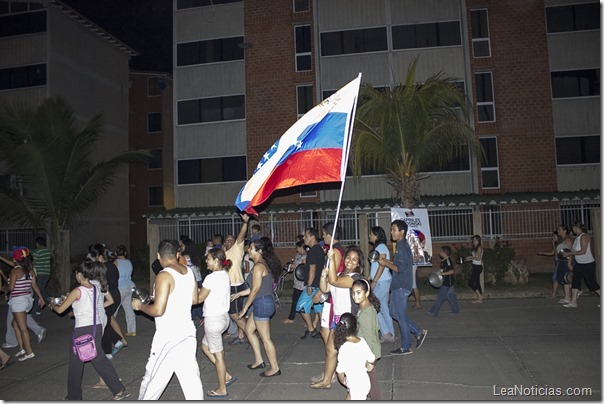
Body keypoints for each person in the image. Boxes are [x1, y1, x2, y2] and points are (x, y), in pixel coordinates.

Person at [49, 260, 129, 401]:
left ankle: (74, 396)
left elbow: (61, 310)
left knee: (76, 364)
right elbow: (101, 302)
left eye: (76, 274)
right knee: (99, 359)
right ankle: (117, 388)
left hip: (82, 329)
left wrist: (52, 305)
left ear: (80, 275)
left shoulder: (77, 291)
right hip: (95, 327)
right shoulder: (96, 287)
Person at [133, 240, 203, 400]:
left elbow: (158, 310)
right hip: (187, 332)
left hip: (169, 336)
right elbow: (194, 299)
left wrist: (140, 306)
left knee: (153, 380)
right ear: (177, 254)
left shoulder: (163, 275)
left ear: (158, 256)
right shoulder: (187, 271)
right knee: (191, 381)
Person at [310, 245, 363, 390]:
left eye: (354, 260)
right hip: (337, 319)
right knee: (331, 350)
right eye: (348, 258)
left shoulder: (354, 278)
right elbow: (325, 288)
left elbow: (333, 282)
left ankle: (357, 384)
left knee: (348, 354)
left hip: (348, 321)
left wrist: (332, 258)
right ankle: (327, 380)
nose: (350, 261)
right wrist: (323, 275)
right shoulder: (339, 275)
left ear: (358, 264)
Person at [232, 237, 281, 377]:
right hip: (264, 301)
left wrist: (245, 308)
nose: (248, 250)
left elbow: (255, 290)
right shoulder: (261, 264)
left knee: (265, 338)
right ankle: (259, 361)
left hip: (262, 303)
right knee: (248, 329)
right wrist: (239, 294)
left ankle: (275, 368)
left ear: (259, 251)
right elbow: (255, 287)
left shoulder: (259, 266)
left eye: (251, 248)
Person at [378, 220, 428, 355]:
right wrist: (386, 261)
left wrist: (385, 263)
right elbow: (396, 263)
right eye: (391, 230)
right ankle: (418, 332)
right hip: (397, 285)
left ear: (402, 232)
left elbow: (399, 268)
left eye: (394, 230)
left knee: (399, 315)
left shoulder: (404, 247)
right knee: (394, 313)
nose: (391, 232)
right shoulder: (399, 246)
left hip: (401, 286)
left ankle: (406, 346)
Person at [198, 248, 236, 398]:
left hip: (213, 320)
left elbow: (199, 299)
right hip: (224, 318)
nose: (206, 261)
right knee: (205, 347)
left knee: (219, 355)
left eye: (208, 259)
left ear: (216, 260)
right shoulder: (224, 275)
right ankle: (226, 375)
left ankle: (222, 389)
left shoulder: (210, 278)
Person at [3, 248, 45, 361]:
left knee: (23, 328)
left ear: (15, 259)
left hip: (18, 301)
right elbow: (35, 286)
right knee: (14, 324)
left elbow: (10, 288)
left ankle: (29, 352)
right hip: (27, 300)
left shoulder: (15, 271)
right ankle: (21, 348)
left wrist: (3, 288)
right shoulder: (30, 270)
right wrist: (40, 297)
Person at [87, 244, 127, 360]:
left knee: (103, 322)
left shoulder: (102, 268)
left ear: (99, 257)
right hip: (115, 294)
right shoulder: (112, 265)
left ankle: (108, 351)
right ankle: (117, 341)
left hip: (108, 296)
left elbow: (101, 284)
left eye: (94, 257)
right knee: (106, 321)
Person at [351, 279, 382, 400]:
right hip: (366, 353)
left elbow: (371, 338)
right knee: (369, 387)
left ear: (367, 293)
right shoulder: (367, 308)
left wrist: (370, 360)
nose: (355, 296)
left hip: (367, 355)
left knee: (372, 389)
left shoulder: (365, 313)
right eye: (353, 293)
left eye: (359, 292)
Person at [334, 312, 375, 400]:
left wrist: (343, 381)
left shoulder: (344, 348)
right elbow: (372, 358)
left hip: (356, 385)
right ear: (356, 327)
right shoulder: (362, 341)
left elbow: (340, 371)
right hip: (364, 381)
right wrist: (370, 365)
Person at [225, 212, 251, 345]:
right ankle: (241, 337)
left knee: (233, 314)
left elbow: (241, 236)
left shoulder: (237, 249)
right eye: (227, 240)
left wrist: (245, 223)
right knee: (239, 312)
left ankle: (250, 335)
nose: (230, 241)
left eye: (232, 240)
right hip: (229, 286)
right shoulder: (223, 254)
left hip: (235, 285)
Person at [563, 221, 600, 308]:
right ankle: (573, 302)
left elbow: (583, 251)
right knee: (575, 282)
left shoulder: (584, 237)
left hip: (588, 264)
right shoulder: (577, 238)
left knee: (591, 284)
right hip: (579, 264)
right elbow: (573, 251)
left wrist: (570, 254)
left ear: (576, 227)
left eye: (573, 228)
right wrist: (570, 260)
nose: (572, 230)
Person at [368, 226, 395, 343]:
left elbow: (382, 265)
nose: (370, 236)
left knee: (373, 306)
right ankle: (391, 333)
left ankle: (385, 332)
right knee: (383, 307)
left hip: (382, 281)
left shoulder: (382, 247)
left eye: (371, 234)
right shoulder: (378, 247)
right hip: (381, 281)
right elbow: (374, 266)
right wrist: (369, 278)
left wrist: (374, 281)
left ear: (377, 235)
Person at [298, 227, 323, 340]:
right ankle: (324, 330)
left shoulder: (313, 251)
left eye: (306, 236)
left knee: (301, 306)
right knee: (318, 307)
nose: (304, 238)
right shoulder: (320, 250)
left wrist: (309, 285)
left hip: (312, 285)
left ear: (312, 237)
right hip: (319, 284)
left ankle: (311, 329)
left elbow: (312, 268)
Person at [426, 246, 460, 316]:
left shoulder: (447, 261)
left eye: (441, 251)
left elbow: (452, 271)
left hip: (447, 283)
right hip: (447, 283)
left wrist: (441, 273)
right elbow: (443, 270)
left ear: (445, 253)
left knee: (440, 298)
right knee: (451, 297)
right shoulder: (443, 260)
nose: (439, 252)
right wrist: (438, 273)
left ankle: (434, 312)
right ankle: (456, 311)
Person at [179, 237, 205, 327]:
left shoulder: (184, 257)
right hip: (198, 279)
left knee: (192, 301)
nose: (180, 247)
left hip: (191, 281)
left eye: (182, 245)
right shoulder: (195, 256)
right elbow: (199, 268)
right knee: (196, 300)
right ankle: (196, 318)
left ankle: (200, 317)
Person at [114, 245, 136, 337]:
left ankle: (111, 330)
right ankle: (132, 330)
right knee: (129, 309)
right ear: (125, 253)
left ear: (116, 253)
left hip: (120, 287)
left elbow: (114, 275)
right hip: (130, 286)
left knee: (113, 310)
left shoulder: (115, 263)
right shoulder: (128, 262)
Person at [283, 240, 307, 324]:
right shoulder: (299, 256)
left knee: (298, 301)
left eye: (298, 247)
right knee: (296, 300)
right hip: (297, 282)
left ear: (302, 247)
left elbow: (304, 269)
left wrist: (295, 266)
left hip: (302, 284)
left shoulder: (305, 257)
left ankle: (291, 317)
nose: (297, 249)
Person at [538, 230, 564, 299]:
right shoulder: (556, 244)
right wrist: (543, 253)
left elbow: (556, 253)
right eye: (553, 236)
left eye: (554, 236)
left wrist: (553, 244)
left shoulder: (560, 244)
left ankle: (554, 294)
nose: (553, 237)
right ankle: (555, 294)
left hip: (560, 262)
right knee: (560, 278)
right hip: (557, 262)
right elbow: (552, 253)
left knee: (555, 278)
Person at [551, 225, 573, 305]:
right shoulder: (562, 240)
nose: (558, 231)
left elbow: (571, 252)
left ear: (565, 231)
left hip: (566, 261)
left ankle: (572, 295)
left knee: (567, 278)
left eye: (560, 229)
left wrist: (569, 263)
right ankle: (567, 297)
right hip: (561, 261)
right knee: (564, 279)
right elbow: (557, 252)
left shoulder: (568, 240)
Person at [31, 236, 52, 315]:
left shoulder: (37, 251)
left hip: (39, 273)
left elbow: (34, 262)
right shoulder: (48, 251)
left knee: (39, 290)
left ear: (37, 243)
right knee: (39, 289)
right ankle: (37, 309)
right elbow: (50, 258)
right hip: (47, 273)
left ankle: (51, 302)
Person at [465, 235, 484, 304]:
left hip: (477, 266)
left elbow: (479, 258)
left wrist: (471, 257)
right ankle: (480, 299)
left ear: (478, 240)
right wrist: (469, 259)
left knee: (470, 282)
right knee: (477, 282)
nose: (474, 241)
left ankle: (480, 296)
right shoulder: (475, 247)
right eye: (473, 240)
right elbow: (476, 258)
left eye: (475, 240)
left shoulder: (479, 247)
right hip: (475, 265)